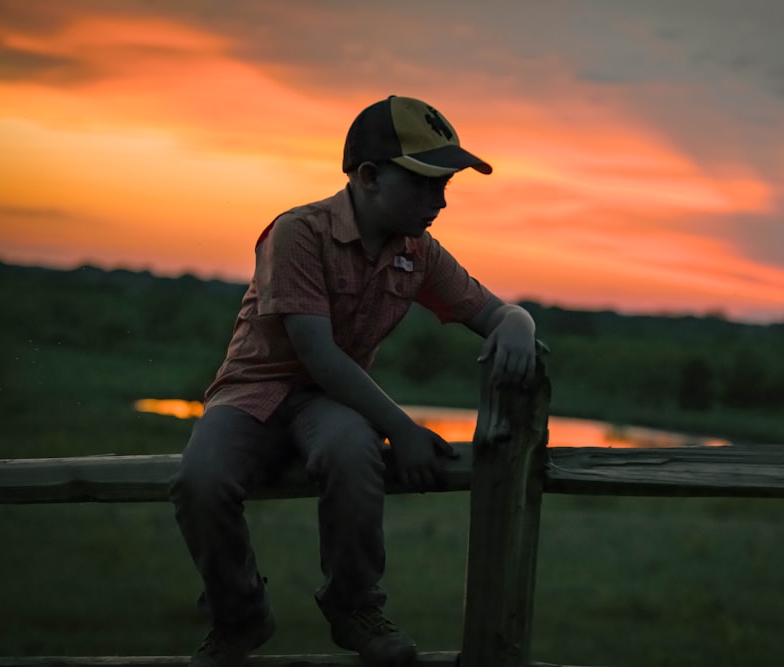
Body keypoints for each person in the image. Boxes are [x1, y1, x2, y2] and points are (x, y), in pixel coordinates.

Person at [169, 95, 538, 667]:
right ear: (368, 176)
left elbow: (493, 311)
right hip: (254, 391)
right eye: (423, 183)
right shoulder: (298, 232)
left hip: (329, 403)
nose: (439, 201)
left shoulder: (418, 252)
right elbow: (317, 354)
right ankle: (238, 614)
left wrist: (519, 324)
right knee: (201, 478)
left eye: (445, 186)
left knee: (350, 450)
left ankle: (354, 606)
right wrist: (403, 430)